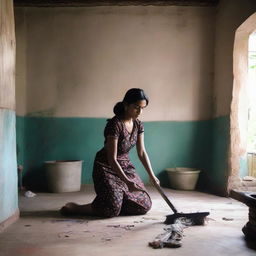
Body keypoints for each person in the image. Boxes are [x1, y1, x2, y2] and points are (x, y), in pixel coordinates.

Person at [60, 88, 159, 217]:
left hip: (125, 166)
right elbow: (112, 158)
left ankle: (115, 201)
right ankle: (77, 208)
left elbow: (141, 152)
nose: (139, 112)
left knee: (144, 205)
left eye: (142, 108)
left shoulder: (139, 125)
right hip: (106, 166)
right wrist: (128, 182)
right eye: (136, 107)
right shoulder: (115, 124)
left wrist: (152, 176)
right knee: (111, 210)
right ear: (125, 105)